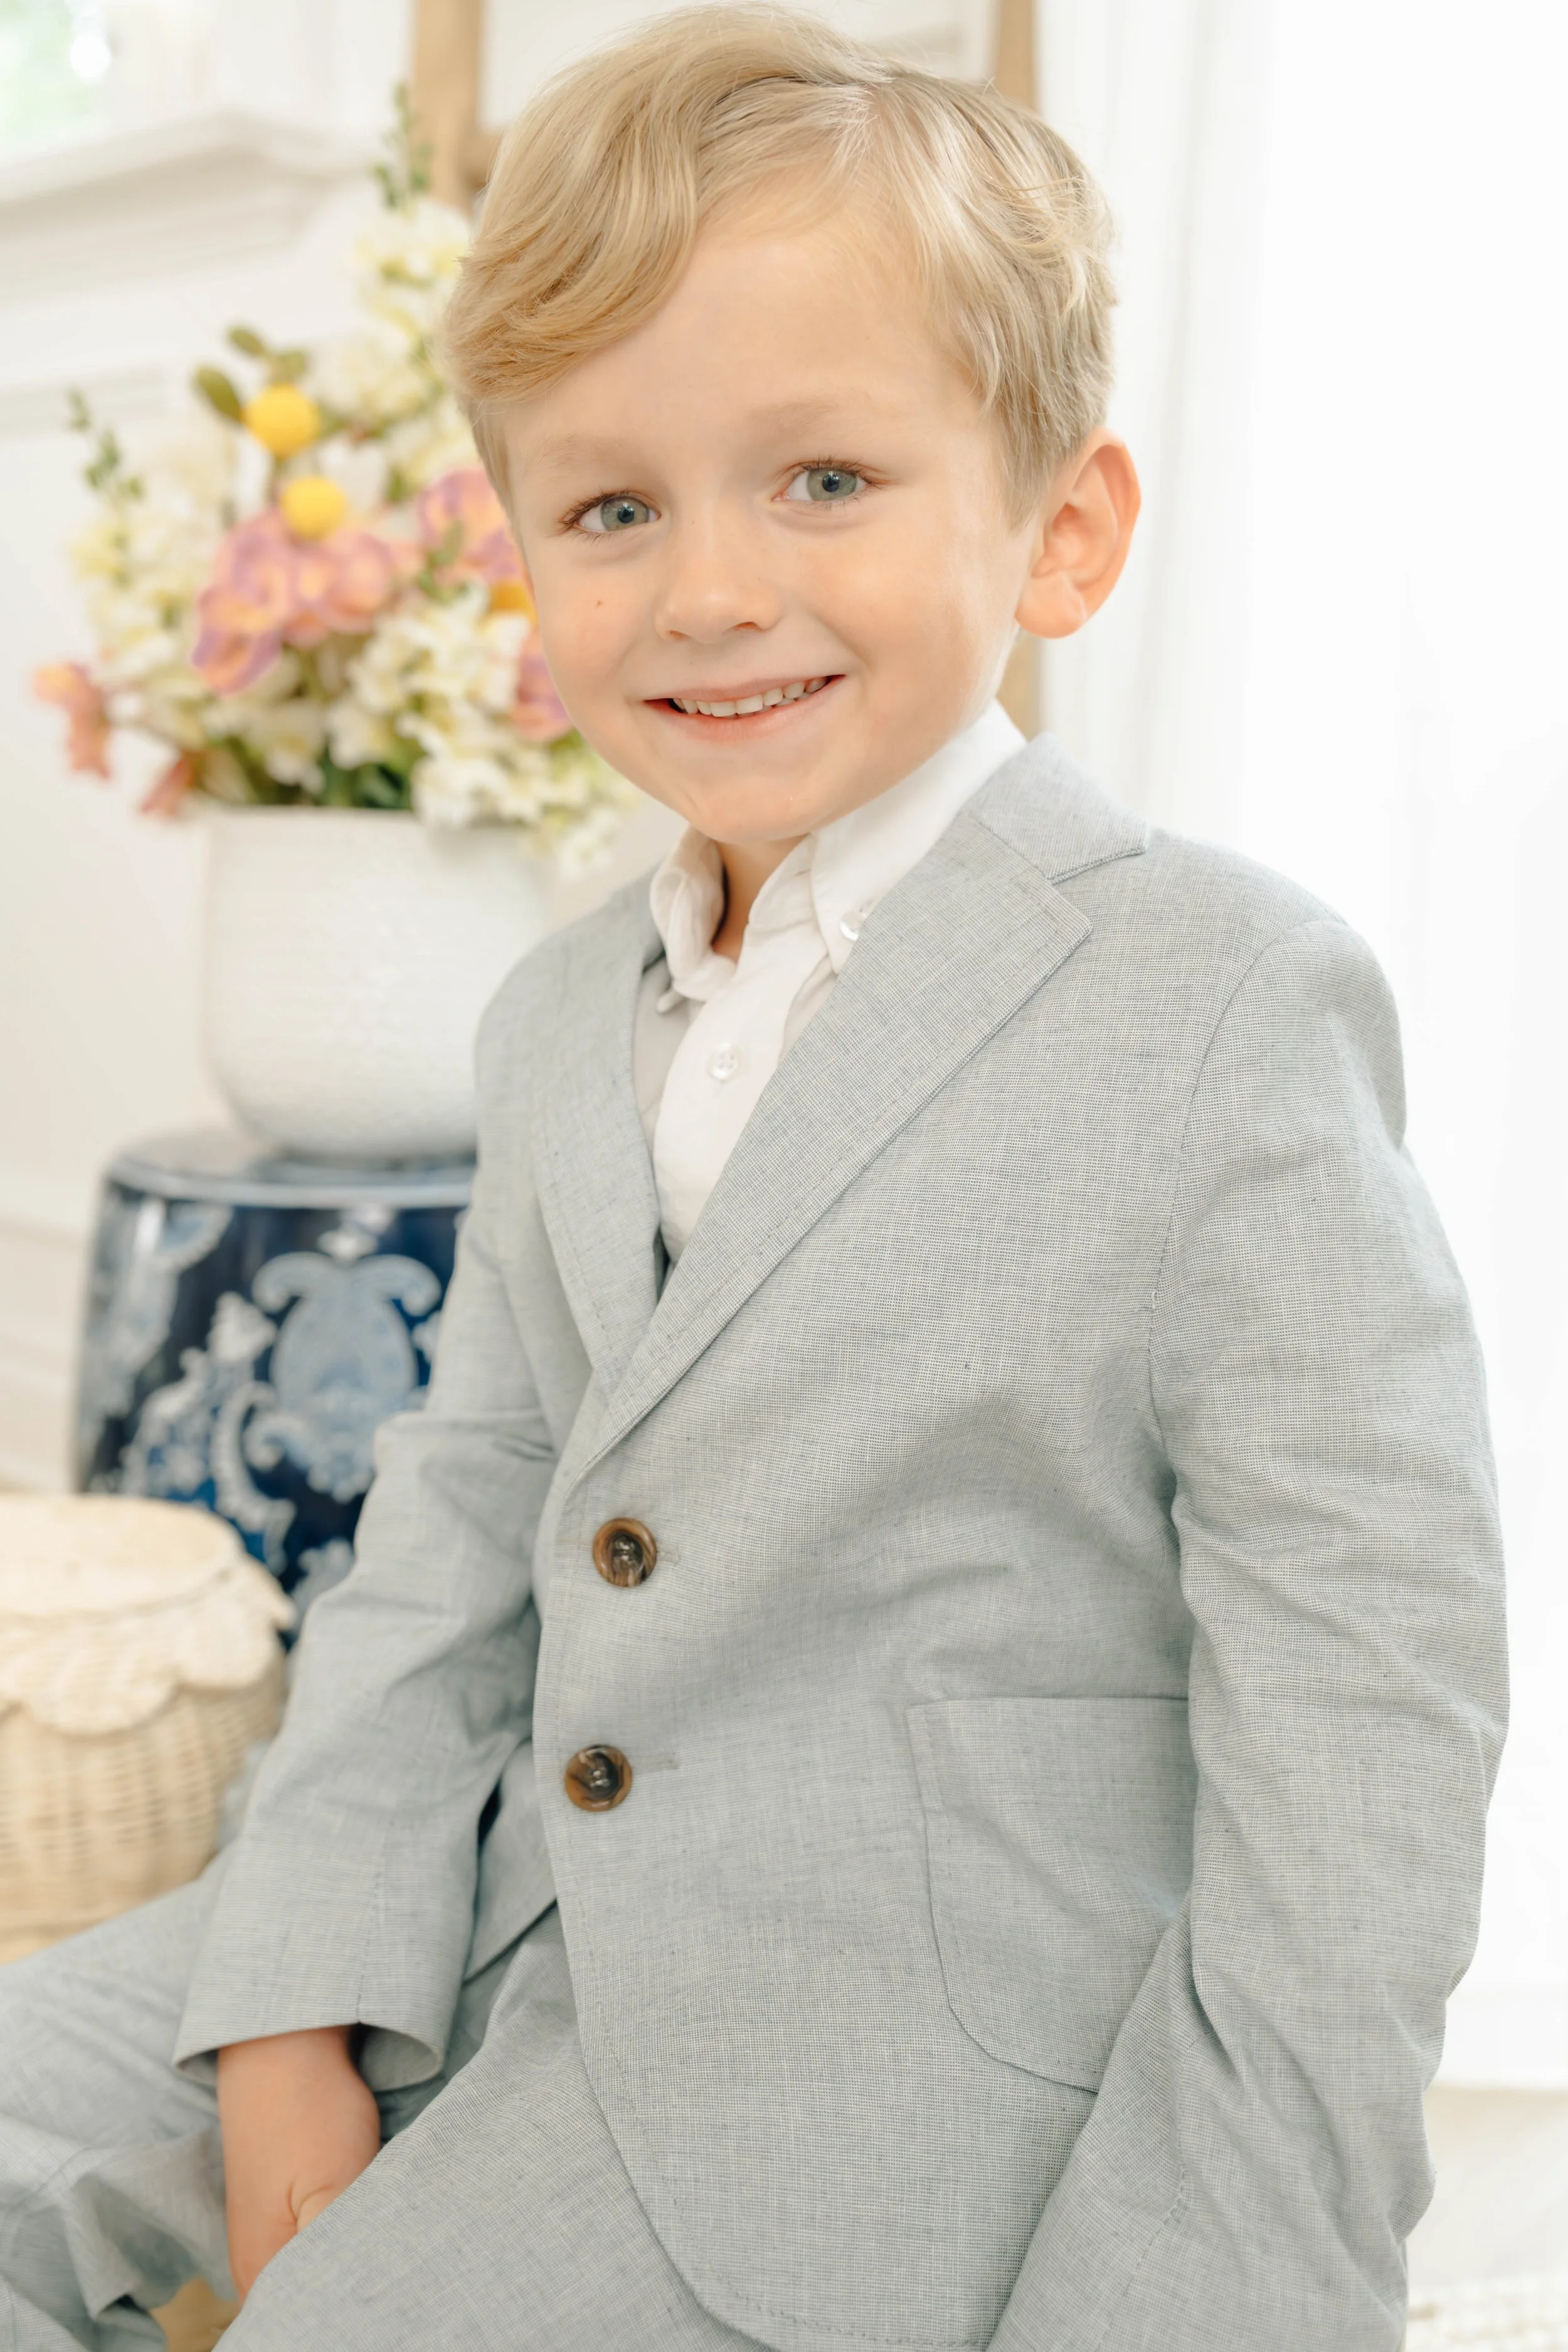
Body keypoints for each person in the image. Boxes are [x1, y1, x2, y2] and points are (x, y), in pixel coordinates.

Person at [0, 10, 1507, 2349]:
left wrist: (1205, 2293)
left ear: (1062, 529)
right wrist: (294, 1992)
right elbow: (452, 1525)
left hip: (869, 2069)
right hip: (497, 1902)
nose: (710, 586)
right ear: (525, 572)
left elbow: (1364, 1719)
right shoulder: (554, 1019)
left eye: (820, 479)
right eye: (614, 508)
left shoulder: (1215, 997)